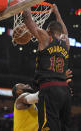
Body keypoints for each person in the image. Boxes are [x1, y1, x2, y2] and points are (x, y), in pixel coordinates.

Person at [22, 3, 72, 131]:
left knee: (47, 127)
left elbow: (29, 21)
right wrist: (57, 12)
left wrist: (24, 4)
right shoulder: (66, 42)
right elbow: (64, 29)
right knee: (64, 127)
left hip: (50, 89)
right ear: (60, 33)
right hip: (65, 91)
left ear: (48, 31)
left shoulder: (46, 38)